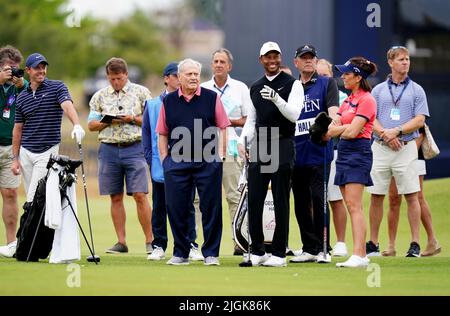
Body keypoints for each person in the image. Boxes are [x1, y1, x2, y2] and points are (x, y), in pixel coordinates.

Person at [156, 58, 230, 266]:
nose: (194, 77)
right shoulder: (168, 101)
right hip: (176, 163)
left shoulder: (211, 97)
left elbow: (223, 126)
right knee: (176, 207)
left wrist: (221, 155)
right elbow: (162, 133)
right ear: (179, 78)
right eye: (189, 74)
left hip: (208, 161)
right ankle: (181, 252)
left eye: (196, 74)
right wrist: (165, 160)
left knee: (211, 207)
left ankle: (211, 254)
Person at [238, 41, 304, 267]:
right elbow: (252, 120)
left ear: (280, 57)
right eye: (268, 57)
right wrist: (242, 141)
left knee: (280, 199)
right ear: (261, 60)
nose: (272, 60)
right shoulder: (255, 87)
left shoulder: (293, 84)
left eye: (276, 56)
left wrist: (276, 98)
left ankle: (278, 254)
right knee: (255, 197)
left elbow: (294, 115)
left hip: (283, 142)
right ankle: (257, 251)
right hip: (261, 143)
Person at [367, 46, 431, 258]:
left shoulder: (417, 90)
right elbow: (371, 117)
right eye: (401, 59)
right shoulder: (378, 90)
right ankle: (373, 243)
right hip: (381, 146)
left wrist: (397, 131)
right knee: (376, 195)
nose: (406, 62)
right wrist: (386, 134)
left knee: (412, 195)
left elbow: (420, 119)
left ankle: (415, 244)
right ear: (391, 62)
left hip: (406, 147)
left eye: (407, 59)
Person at [87, 57, 153, 255]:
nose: (116, 82)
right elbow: (91, 124)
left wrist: (131, 118)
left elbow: (151, 120)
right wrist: (108, 121)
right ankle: (121, 242)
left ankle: (150, 241)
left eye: (119, 78)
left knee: (140, 195)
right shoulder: (99, 96)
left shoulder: (141, 92)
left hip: (135, 147)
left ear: (126, 75)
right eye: (112, 79)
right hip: (108, 149)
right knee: (115, 196)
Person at [142, 62, 203, 261]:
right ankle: (159, 244)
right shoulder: (152, 104)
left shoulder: (191, 101)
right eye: (176, 75)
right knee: (159, 206)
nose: (180, 79)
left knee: (187, 206)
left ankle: (191, 244)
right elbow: (147, 134)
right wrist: (152, 161)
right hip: (161, 165)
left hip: (185, 162)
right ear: (167, 78)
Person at [289, 45, 339, 264]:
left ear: (316, 61)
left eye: (311, 58)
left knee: (319, 199)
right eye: (304, 58)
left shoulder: (327, 83)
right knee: (300, 202)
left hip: (319, 152)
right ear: (296, 62)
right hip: (295, 153)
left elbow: (334, 114)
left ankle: (323, 247)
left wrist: (327, 128)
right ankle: (309, 247)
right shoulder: (291, 87)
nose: (308, 61)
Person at [11, 51, 85, 200]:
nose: (42, 70)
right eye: (37, 67)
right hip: (26, 152)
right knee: (34, 197)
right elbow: (18, 129)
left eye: (44, 67)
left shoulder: (57, 87)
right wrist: (15, 158)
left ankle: (30, 223)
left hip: (46, 152)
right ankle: (38, 223)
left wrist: (76, 124)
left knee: (34, 196)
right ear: (28, 71)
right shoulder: (22, 97)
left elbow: (67, 106)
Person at [201, 48, 252, 256]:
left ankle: (238, 241)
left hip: (232, 147)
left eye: (223, 61)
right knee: (204, 199)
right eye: (215, 61)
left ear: (229, 66)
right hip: (205, 149)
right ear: (211, 65)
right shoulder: (203, 88)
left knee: (233, 196)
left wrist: (226, 121)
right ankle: (202, 245)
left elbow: (249, 119)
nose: (219, 64)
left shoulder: (240, 88)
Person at [328, 56, 378, 268]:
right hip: (344, 152)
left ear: (358, 77)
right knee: (349, 204)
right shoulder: (348, 100)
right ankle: (360, 254)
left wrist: (340, 129)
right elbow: (331, 130)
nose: (343, 76)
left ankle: (360, 254)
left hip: (359, 152)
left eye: (347, 73)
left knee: (355, 205)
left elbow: (353, 131)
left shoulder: (367, 100)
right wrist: (341, 129)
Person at [316, 58, 348, 257]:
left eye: (325, 75)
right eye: (318, 76)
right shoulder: (304, 93)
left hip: (333, 152)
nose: (322, 79)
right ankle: (316, 242)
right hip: (312, 152)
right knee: (315, 200)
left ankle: (341, 242)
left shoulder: (342, 98)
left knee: (335, 199)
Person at [0, 46, 28, 258]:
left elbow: (33, 100)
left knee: (10, 193)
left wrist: (21, 85)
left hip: (11, 146)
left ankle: (11, 244)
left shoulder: (22, 87)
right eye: (10, 69)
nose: (13, 73)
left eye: (17, 69)